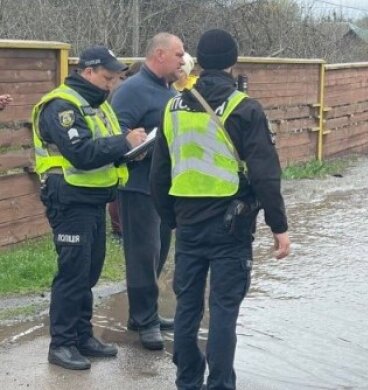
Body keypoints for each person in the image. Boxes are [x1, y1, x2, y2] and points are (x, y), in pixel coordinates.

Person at [150, 29, 291, 390]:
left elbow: (159, 173)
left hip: (188, 224)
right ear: (233, 61)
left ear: (197, 58)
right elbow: (265, 175)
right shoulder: (244, 107)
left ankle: (187, 380)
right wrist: (280, 228)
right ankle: (220, 385)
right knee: (224, 311)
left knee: (187, 308)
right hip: (232, 225)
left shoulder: (172, 107)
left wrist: (171, 219)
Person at [31, 46, 147, 370]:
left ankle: (82, 336)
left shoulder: (97, 106)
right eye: (108, 78)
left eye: (115, 79)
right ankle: (62, 344)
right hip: (69, 200)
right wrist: (124, 142)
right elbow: (80, 152)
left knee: (89, 272)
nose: (111, 85)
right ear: (89, 71)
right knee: (73, 274)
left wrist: (132, 148)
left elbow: (104, 148)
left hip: (92, 199)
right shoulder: (62, 105)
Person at [111, 33, 185, 350]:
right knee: (143, 255)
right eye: (179, 54)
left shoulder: (167, 90)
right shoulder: (132, 90)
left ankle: (144, 313)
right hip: (138, 186)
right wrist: (133, 137)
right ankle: (145, 322)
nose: (183, 60)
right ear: (159, 54)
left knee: (159, 252)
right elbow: (116, 132)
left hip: (164, 188)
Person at [107, 61, 143, 240]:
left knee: (117, 192)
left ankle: (118, 228)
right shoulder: (125, 91)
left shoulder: (118, 88)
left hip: (118, 144)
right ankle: (119, 229)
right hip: (123, 143)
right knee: (119, 191)